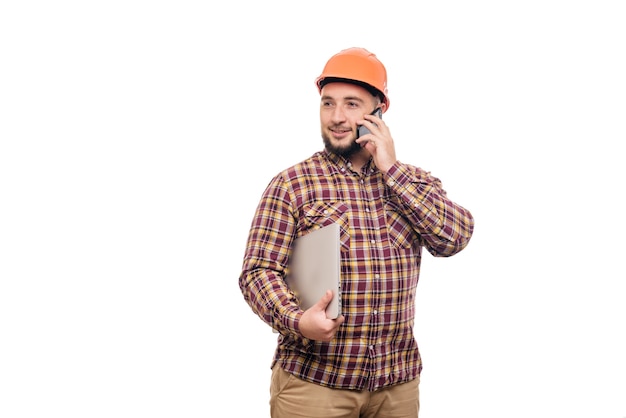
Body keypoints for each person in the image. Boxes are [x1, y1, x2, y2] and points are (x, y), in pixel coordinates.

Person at [238, 47, 474, 418]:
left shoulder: (413, 181)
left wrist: (391, 170)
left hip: (396, 387)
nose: (336, 117)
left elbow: (453, 238)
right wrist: (297, 320)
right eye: (327, 103)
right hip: (315, 387)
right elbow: (257, 273)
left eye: (351, 104)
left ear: (378, 111)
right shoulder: (293, 184)